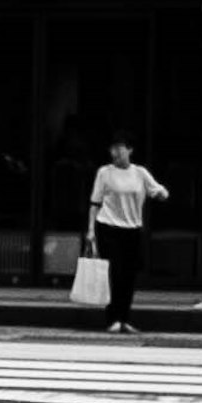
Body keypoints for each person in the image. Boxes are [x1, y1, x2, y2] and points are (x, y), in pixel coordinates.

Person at [86, 130, 168, 329]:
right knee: (115, 272)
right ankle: (113, 318)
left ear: (130, 150)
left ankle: (125, 318)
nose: (115, 153)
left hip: (132, 229)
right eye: (113, 149)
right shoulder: (104, 173)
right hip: (109, 227)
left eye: (120, 149)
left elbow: (160, 191)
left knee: (129, 275)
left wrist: (160, 194)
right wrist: (90, 230)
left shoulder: (139, 173)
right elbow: (94, 203)